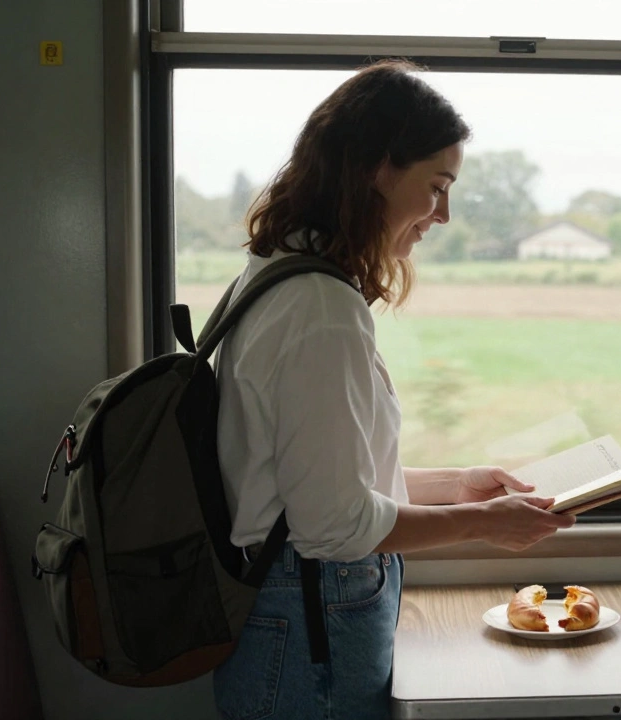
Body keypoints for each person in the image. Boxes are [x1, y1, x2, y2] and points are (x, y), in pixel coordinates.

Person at [210, 61, 575, 720]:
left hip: (297, 612)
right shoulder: (319, 306)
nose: (443, 214)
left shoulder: (276, 275)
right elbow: (335, 526)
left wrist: (455, 483)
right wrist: (483, 525)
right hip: (311, 621)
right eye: (436, 187)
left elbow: (318, 480)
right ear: (377, 168)